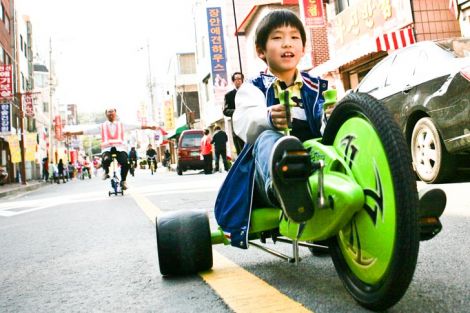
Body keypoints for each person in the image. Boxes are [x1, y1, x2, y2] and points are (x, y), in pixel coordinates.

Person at [214, 10, 329, 249]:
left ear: (303, 48)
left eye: (294, 37)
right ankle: (284, 189)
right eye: (277, 38)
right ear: (261, 51)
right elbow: (243, 121)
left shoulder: (317, 87)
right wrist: (268, 116)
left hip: (314, 164)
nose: (287, 43)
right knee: (268, 138)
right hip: (266, 175)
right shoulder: (253, 87)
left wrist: (332, 114)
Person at [63, 108, 158, 190]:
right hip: (107, 149)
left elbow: (137, 126)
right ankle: (106, 171)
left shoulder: (122, 124)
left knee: (125, 163)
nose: (111, 113)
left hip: (120, 148)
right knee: (106, 159)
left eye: (112, 112)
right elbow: (87, 131)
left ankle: (123, 181)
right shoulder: (102, 126)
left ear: (115, 113)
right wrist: (71, 133)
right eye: (108, 112)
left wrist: (150, 127)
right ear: (106, 114)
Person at [223, 72, 245, 155]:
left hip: (249, 126)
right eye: (236, 79)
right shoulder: (229, 95)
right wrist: (237, 111)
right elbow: (225, 111)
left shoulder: (248, 93)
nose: (238, 81)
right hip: (237, 128)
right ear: (233, 81)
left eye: (240, 79)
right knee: (241, 152)